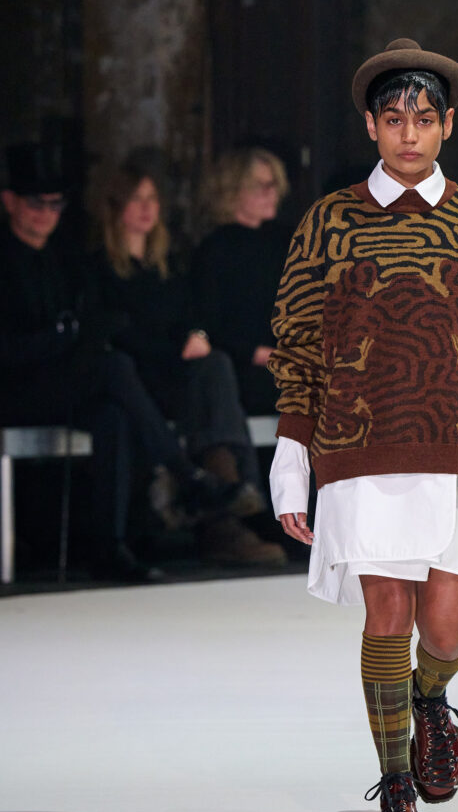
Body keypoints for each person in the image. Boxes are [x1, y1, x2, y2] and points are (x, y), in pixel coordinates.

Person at [268, 39, 458, 812]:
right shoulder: (329, 221)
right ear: (370, 125)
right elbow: (297, 344)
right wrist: (291, 453)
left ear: (446, 124)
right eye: (393, 119)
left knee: (446, 627)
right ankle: (396, 794)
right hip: (358, 440)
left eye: (423, 119)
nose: (408, 134)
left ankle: (429, 699)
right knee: (386, 612)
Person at [0, 143, 241, 581]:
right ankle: (185, 475)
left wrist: (75, 336)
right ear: (10, 202)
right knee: (114, 369)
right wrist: (64, 336)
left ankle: (111, 546)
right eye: (36, 204)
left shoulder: (61, 258)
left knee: (114, 414)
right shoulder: (26, 260)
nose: (46, 214)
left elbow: (98, 328)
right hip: (18, 388)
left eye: (55, 204)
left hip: (64, 381)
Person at [92, 162, 286, 567]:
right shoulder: (100, 266)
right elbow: (117, 334)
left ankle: (233, 502)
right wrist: (184, 345)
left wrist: (195, 335)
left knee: (214, 367)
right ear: (115, 207)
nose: (147, 208)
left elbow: (193, 317)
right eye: (136, 200)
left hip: (179, 373)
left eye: (152, 199)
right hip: (138, 379)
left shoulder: (167, 264)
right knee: (214, 377)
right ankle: (238, 504)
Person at [191, 147, 293, 415]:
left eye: (274, 184)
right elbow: (211, 326)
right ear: (233, 191)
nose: (271, 193)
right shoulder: (214, 250)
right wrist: (260, 353)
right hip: (245, 368)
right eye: (261, 186)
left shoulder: (286, 242)